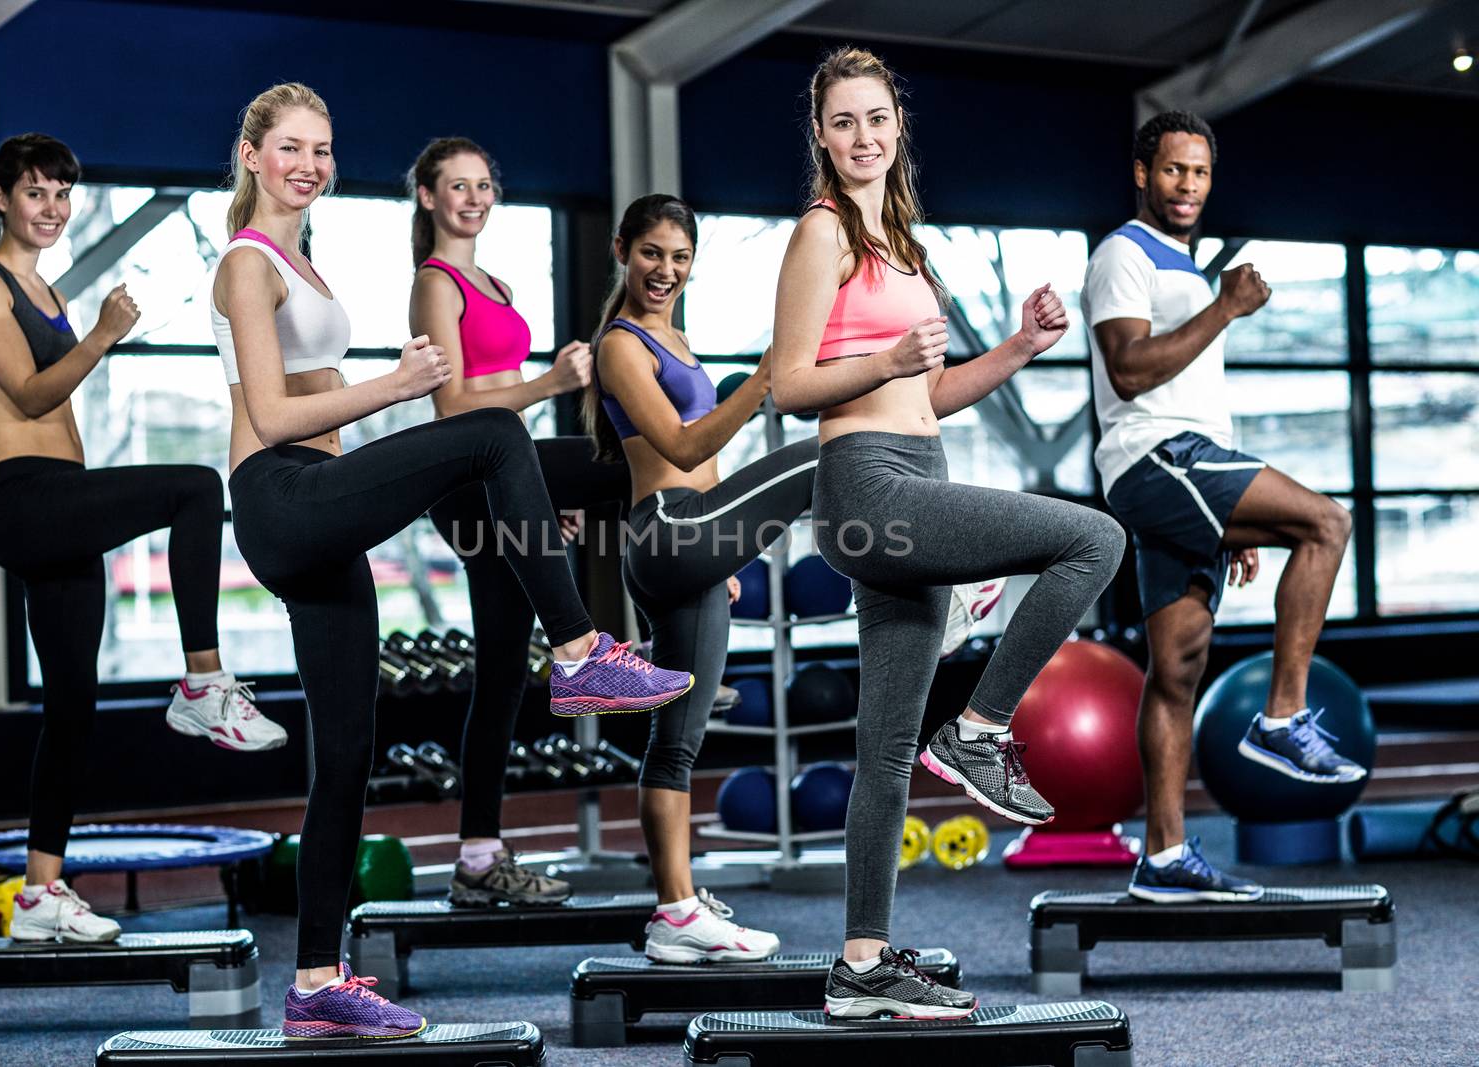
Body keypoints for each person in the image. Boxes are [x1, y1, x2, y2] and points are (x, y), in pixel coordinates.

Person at [212, 83, 691, 1039]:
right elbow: (268, 419)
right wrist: (397, 383)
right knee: (490, 436)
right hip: (279, 495)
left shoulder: (303, 266)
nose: (310, 164)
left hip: (325, 507)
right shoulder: (244, 263)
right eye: (293, 148)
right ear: (255, 155)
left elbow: (322, 406)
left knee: (346, 754)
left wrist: (383, 429)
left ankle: (314, 982)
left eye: (324, 149)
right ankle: (581, 650)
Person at [770, 47, 1125, 1018]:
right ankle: (979, 729)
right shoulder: (822, 232)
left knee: (883, 751)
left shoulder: (903, 243)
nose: (862, 138)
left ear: (897, 126)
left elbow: (928, 394)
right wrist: (884, 356)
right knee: (1092, 541)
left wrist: (1015, 348)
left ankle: (859, 964)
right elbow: (788, 384)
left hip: (916, 470)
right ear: (821, 134)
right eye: (842, 122)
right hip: (864, 486)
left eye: (876, 119)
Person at [0, 134, 281, 944]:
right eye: (35, 194)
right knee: (195, 489)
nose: (52, 209)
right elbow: (26, 398)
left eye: (62, 195)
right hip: (20, 498)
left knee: (72, 708)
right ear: (0, 198)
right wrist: (100, 336)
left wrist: (90, 328)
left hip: (60, 505)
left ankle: (38, 893)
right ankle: (202, 682)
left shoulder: (46, 290)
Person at [1083, 111, 1363, 904]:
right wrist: (1227, 308)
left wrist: (1232, 516)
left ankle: (1164, 855)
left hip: (1193, 471)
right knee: (1327, 521)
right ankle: (1282, 716)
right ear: (1143, 173)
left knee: (1176, 668)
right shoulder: (1122, 254)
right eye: (1174, 170)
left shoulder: (1185, 264)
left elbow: (1196, 392)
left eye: (1200, 173)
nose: (1188, 186)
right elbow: (1131, 371)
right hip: (1158, 459)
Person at [586, 193, 817, 962]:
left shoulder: (675, 334)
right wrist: (764, 382)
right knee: (822, 460)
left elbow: (706, 467)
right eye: (652, 252)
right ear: (623, 249)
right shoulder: (621, 345)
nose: (666, 269)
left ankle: (675, 913)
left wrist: (729, 555)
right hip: (667, 528)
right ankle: (935, 587)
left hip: (697, 540)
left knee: (677, 741)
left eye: (680, 257)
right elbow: (683, 449)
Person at [407, 137, 629, 908]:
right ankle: (638, 638)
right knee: (631, 462)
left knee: (502, 672)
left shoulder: (494, 282)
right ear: (429, 197)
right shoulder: (435, 284)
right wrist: (552, 382)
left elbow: (509, 428)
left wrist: (536, 491)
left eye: (484, 184)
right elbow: (453, 409)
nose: (474, 197)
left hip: (507, 477)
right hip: (464, 482)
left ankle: (476, 858)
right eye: (457, 186)